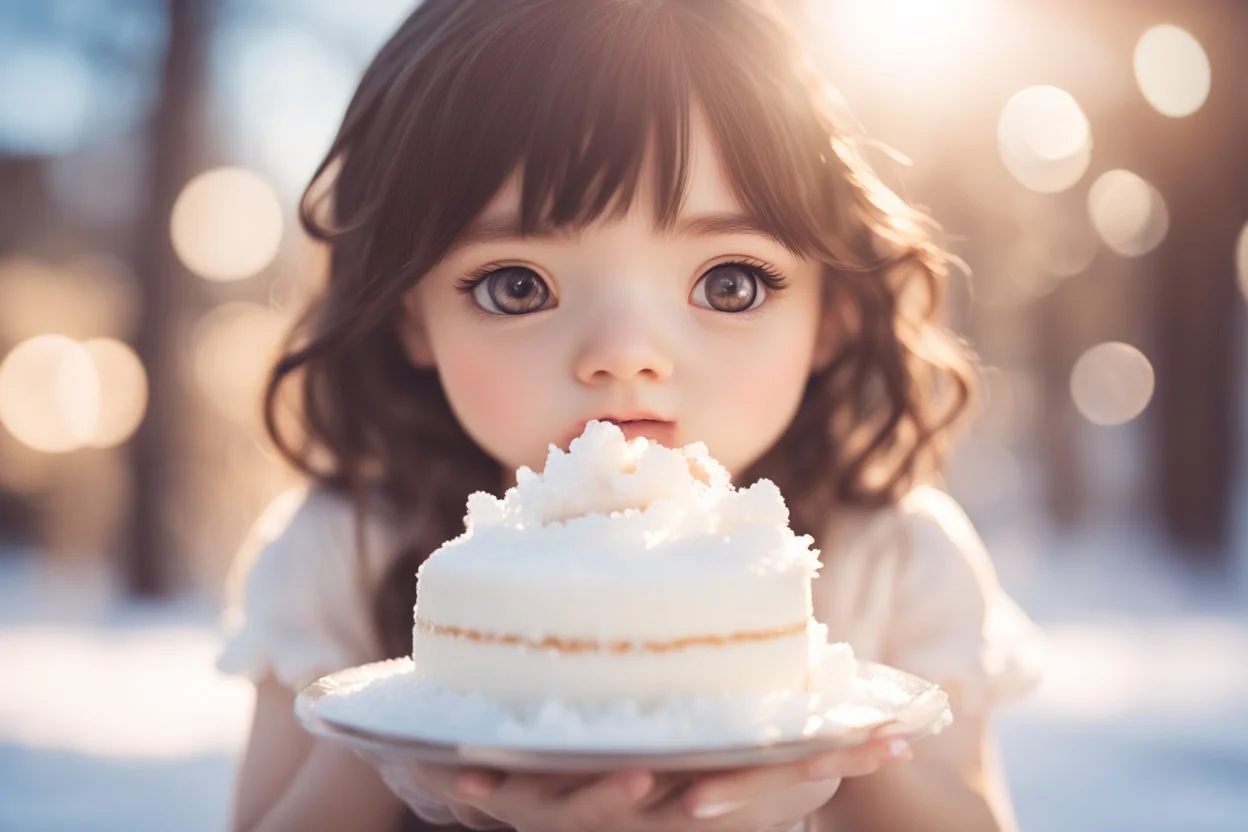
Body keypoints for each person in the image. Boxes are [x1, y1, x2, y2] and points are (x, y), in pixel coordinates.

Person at [217, 0, 1045, 830]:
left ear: (831, 312)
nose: (625, 352)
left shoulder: (897, 568)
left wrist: (834, 752)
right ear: (411, 314)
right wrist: (398, 730)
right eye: (518, 286)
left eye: (730, 283)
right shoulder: (336, 559)